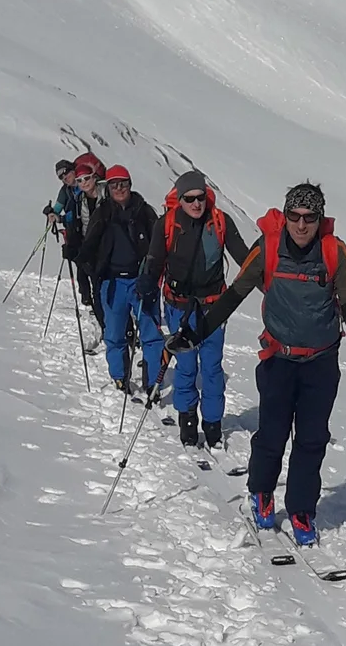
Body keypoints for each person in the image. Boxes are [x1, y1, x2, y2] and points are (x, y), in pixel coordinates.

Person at [173, 181, 346, 547]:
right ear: (285, 216)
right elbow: (235, 293)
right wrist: (197, 332)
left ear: (320, 219)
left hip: (321, 362)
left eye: (309, 218)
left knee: (312, 440)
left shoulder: (334, 251)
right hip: (279, 359)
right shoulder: (268, 248)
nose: (301, 225)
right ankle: (261, 492)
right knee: (272, 434)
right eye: (294, 216)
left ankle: (302, 510)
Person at [142, 168, 251, 451]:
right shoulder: (166, 223)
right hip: (178, 305)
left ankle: (212, 426)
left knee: (212, 368)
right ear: (180, 199)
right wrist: (146, 288)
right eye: (189, 199)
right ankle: (187, 421)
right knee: (187, 367)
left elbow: (246, 259)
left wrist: (270, 285)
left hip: (213, 308)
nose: (196, 204)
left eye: (200, 197)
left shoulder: (220, 222)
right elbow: (155, 260)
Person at [80, 164, 163, 394]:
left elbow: (159, 244)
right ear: (108, 187)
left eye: (123, 184)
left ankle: (152, 382)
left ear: (130, 185)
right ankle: (119, 377)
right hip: (112, 281)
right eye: (114, 184)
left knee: (151, 334)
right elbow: (91, 243)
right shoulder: (103, 212)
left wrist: (152, 273)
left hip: (142, 281)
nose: (119, 188)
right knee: (114, 334)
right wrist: (81, 257)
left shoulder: (144, 211)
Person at [59, 152, 104, 312]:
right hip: (84, 238)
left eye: (66, 173)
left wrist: (62, 220)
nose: (65, 178)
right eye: (61, 176)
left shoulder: (99, 193)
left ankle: (94, 300)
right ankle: (89, 298)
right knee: (84, 268)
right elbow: (62, 209)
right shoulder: (69, 194)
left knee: (93, 273)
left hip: (99, 242)